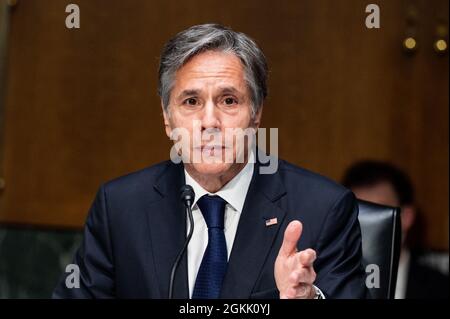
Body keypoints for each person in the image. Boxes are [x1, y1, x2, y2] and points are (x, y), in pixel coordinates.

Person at [53, 24, 367, 299]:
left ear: (256, 114)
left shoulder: (323, 209)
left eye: (229, 100)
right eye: (191, 102)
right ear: (167, 119)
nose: (209, 121)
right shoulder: (120, 207)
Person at [342, 160, 449, 299]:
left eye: (377, 215)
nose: (365, 227)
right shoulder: (325, 284)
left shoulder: (442, 289)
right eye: (358, 214)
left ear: (407, 217)